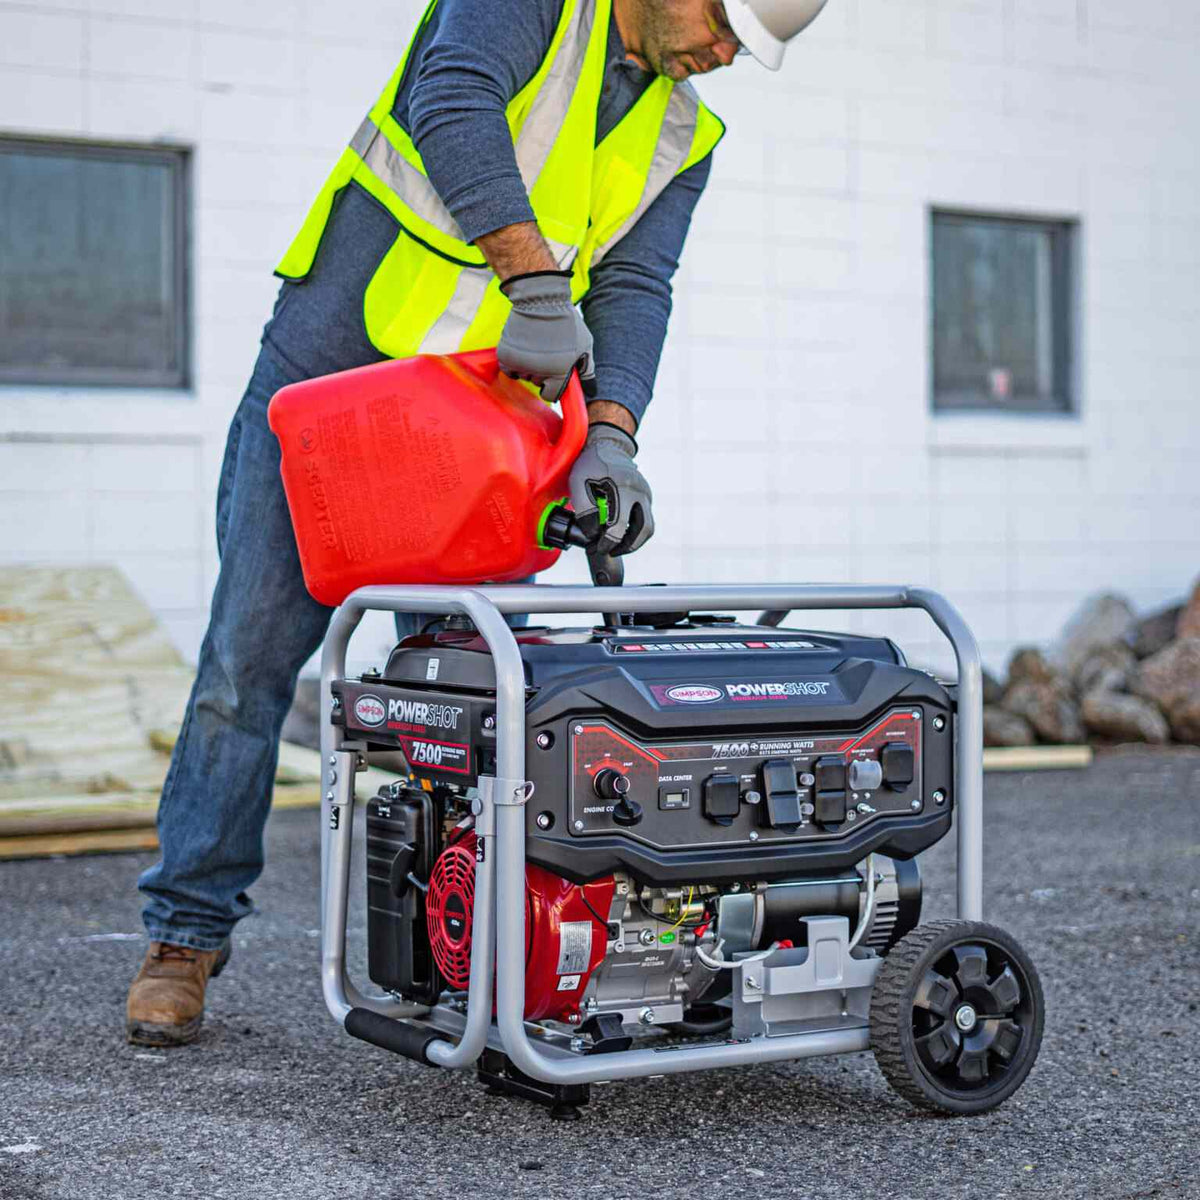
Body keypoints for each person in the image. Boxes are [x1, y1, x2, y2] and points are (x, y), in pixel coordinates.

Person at [126, 0, 829, 1046]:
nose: (728, 53)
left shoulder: (684, 131)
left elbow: (639, 284)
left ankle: (476, 952)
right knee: (247, 667)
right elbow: (451, 98)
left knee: (475, 697)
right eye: (727, 23)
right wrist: (537, 284)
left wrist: (616, 434)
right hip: (334, 381)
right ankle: (184, 939)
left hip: (477, 433)